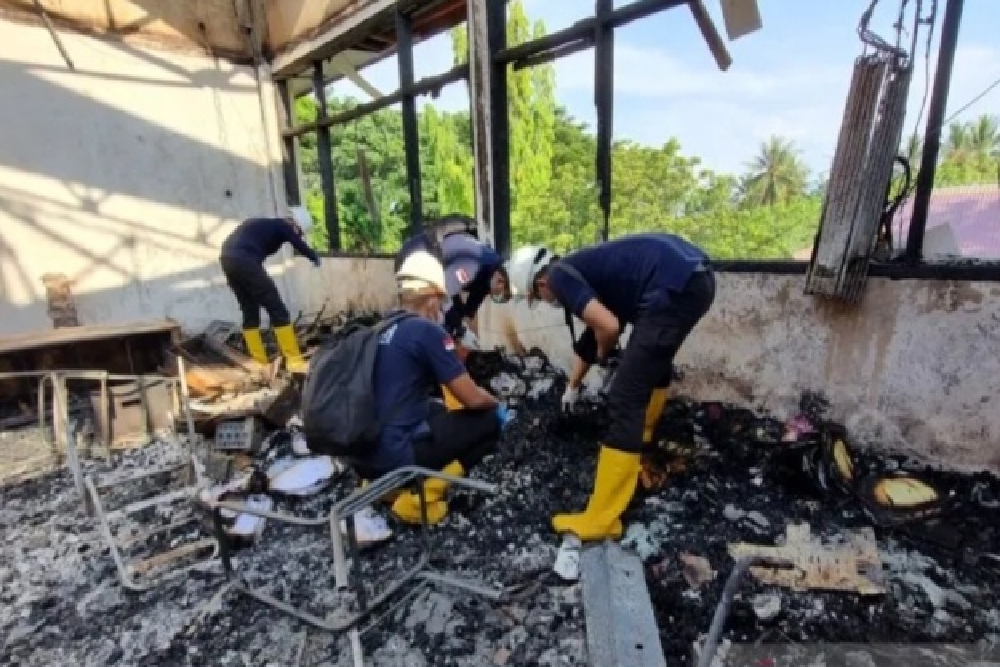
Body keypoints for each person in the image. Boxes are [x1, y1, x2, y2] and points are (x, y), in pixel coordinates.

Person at [505, 233, 716, 542]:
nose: (545, 302)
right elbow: (595, 333)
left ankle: (602, 519)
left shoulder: (561, 277)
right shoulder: (580, 269)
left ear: (539, 283)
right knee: (653, 361)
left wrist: (606, 355)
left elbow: (609, 328)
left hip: (673, 288)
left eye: (537, 298)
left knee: (624, 397)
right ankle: (643, 441)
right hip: (694, 279)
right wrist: (572, 386)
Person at [357, 249, 511, 525]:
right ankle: (419, 501)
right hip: (398, 456)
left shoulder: (380, 329)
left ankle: (385, 489)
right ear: (431, 299)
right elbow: (472, 399)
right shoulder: (426, 331)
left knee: (437, 410)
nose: (442, 309)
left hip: (364, 456)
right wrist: (497, 405)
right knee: (487, 423)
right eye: (441, 302)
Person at [219, 207, 320, 373]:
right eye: (299, 232)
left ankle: (258, 363)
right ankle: (294, 361)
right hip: (245, 261)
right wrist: (313, 256)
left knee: (250, 310)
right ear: (296, 224)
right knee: (277, 308)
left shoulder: (263, 224)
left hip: (227, 260)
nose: (297, 235)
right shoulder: (283, 225)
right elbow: (297, 242)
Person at [394, 214, 508, 352]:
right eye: (502, 293)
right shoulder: (472, 266)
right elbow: (445, 291)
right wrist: (460, 328)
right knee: (435, 319)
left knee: (445, 319)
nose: (498, 294)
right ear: (500, 280)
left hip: (430, 262)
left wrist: (461, 323)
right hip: (413, 259)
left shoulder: (488, 267)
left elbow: (467, 305)